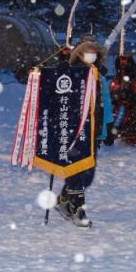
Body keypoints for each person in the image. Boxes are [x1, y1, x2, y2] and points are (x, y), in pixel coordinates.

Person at [54, 35, 109, 228]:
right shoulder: (73, 71)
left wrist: (105, 127)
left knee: (88, 173)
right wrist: (61, 60)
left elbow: (103, 104)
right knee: (78, 168)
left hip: (93, 128)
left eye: (94, 52)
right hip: (75, 128)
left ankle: (63, 199)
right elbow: (59, 83)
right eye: (88, 52)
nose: (91, 55)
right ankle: (78, 208)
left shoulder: (98, 74)